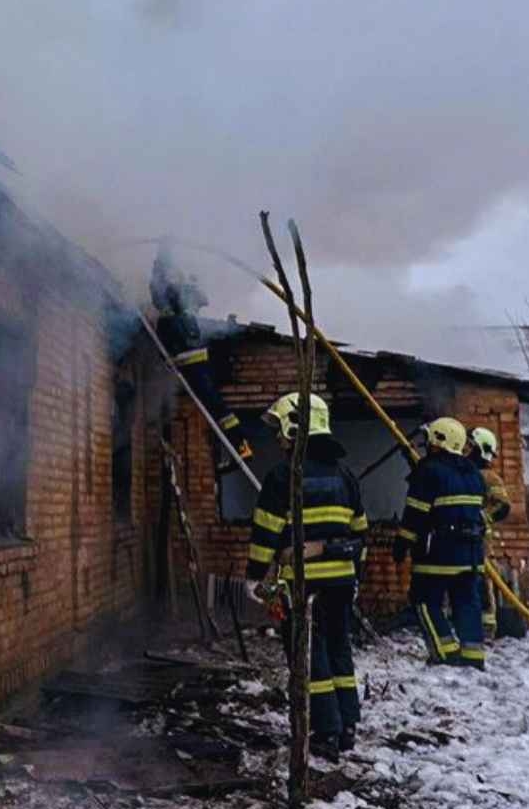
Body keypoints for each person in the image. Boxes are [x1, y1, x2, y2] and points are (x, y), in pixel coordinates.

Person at [247, 392, 369, 756]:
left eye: (280, 429)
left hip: (303, 585)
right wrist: (353, 573)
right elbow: (361, 534)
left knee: (309, 655)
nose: (277, 438)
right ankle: (347, 726)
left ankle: (325, 731)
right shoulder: (346, 475)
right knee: (339, 648)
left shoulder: (283, 476)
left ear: (295, 426)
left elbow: (265, 532)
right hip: (342, 581)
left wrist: (254, 576)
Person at [395, 417, 489, 668]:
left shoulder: (428, 470)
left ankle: (445, 654)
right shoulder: (474, 473)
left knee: (424, 600)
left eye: (430, 440)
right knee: (467, 603)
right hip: (472, 555)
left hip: (438, 553)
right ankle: (473, 656)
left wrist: (402, 545)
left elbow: (415, 514)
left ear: (439, 441)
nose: (427, 444)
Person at [150, 246, 247, 476]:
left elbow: (158, 288)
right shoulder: (184, 302)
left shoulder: (174, 300)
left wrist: (161, 258)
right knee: (216, 405)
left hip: (190, 361)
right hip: (196, 360)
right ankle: (240, 446)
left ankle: (240, 446)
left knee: (214, 405)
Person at [467, 426, 513, 640]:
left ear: (480, 449)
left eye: (470, 446)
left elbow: (503, 506)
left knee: (481, 582)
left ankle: (486, 628)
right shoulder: (461, 474)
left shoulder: (489, 477)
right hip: (459, 539)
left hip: (479, 541)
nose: (466, 450)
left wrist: (481, 518)